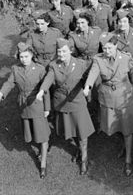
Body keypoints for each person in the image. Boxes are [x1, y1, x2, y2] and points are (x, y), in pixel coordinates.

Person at [83, 33, 133, 176]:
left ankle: (128, 159)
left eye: (109, 48)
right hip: (108, 97)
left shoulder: (126, 58)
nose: (106, 51)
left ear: (116, 46)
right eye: (104, 48)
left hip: (124, 96)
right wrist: (87, 86)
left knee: (127, 129)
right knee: (114, 126)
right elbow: (93, 73)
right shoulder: (98, 59)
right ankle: (123, 144)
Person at [36, 38, 95, 175]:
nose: (61, 54)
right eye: (59, 52)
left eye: (63, 51)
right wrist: (42, 90)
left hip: (77, 102)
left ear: (70, 50)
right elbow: (49, 78)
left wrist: (89, 90)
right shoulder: (53, 65)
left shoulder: (80, 64)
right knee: (72, 132)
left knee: (83, 133)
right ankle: (79, 150)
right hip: (63, 104)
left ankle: (84, 159)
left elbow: (90, 74)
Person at [0, 43, 51, 179]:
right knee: (32, 132)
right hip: (24, 105)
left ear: (31, 56)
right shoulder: (15, 69)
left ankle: (43, 164)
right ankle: (40, 149)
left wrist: (47, 107)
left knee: (42, 135)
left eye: (26, 56)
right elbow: (9, 83)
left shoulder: (39, 69)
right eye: (21, 57)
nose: (24, 59)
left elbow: (46, 90)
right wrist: (1, 93)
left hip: (37, 104)